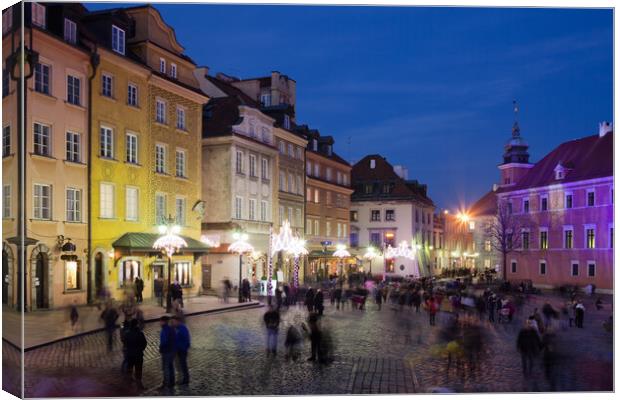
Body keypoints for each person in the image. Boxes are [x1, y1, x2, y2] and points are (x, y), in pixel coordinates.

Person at [125, 319, 147, 389]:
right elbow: (144, 343)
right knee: (138, 369)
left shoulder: (127, 333)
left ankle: (129, 381)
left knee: (130, 367)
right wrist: (141, 349)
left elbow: (125, 343)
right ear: (137, 324)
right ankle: (139, 383)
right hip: (138, 354)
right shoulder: (140, 333)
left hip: (130, 354)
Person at [159, 316, 176, 389]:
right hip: (172, 350)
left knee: (166, 367)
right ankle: (172, 381)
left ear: (164, 322)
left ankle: (166, 383)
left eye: (160, 321)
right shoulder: (171, 329)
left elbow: (164, 341)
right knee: (171, 366)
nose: (159, 323)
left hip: (166, 351)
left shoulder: (165, 330)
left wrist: (161, 347)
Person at [173, 316, 191, 385]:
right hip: (178, 350)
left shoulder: (182, 328)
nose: (173, 323)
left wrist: (184, 348)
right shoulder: (176, 328)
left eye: (174, 322)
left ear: (178, 321)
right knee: (180, 365)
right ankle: (182, 378)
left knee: (183, 365)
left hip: (182, 350)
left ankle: (186, 379)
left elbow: (186, 340)